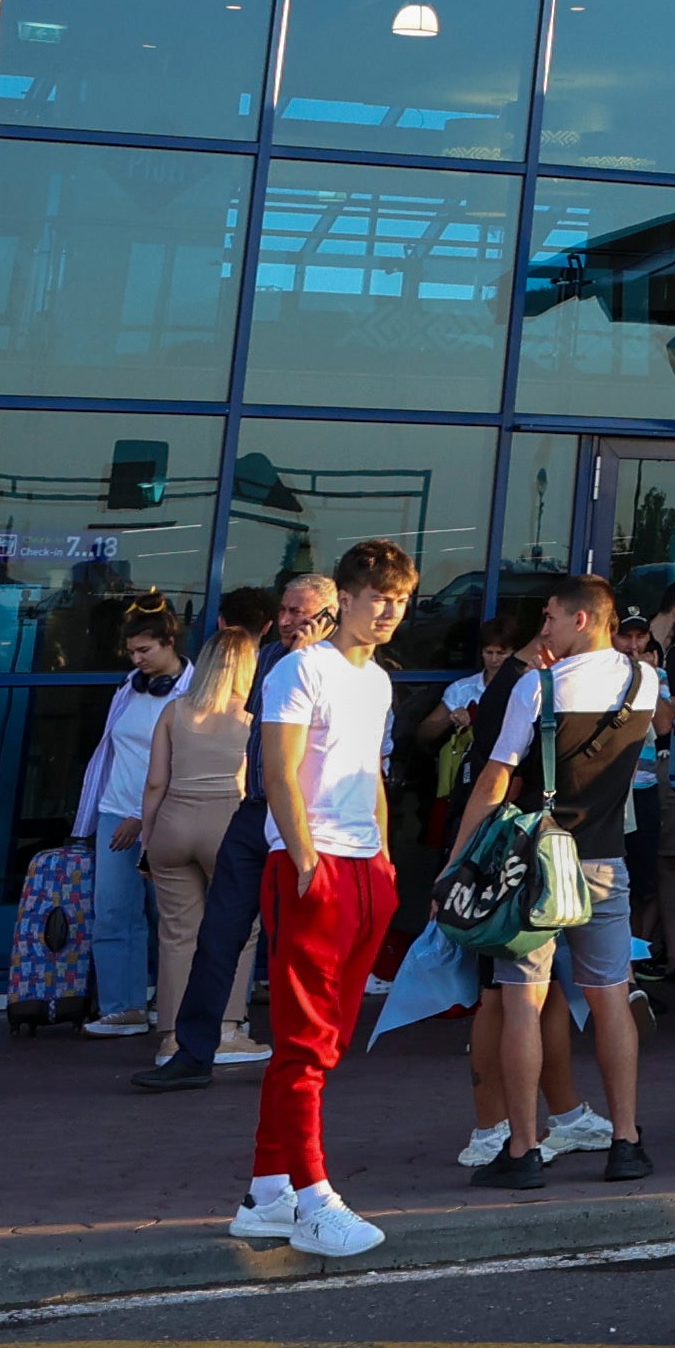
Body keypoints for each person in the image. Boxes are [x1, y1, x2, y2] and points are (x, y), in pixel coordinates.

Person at [228, 538, 414, 1261]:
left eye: (400, 598)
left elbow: (369, 770)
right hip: (313, 863)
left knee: (324, 1039)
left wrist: (387, 861)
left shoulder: (377, 681)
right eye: (377, 598)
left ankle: (266, 1190)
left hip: (364, 864)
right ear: (346, 596)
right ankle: (312, 1194)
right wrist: (304, 854)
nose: (390, 610)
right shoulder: (301, 668)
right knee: (306, 1038)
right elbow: (276, 770)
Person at [448, 575, 661, 1186]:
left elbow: (495, 779)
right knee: (611, 997)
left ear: (582, 620)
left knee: (524, 1000)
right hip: (604, 859)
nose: (542, 629)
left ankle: (523, 1149)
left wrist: (459, 859)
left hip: (538, 864)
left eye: (550, 617)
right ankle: (626, 1140)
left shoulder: (537, 686)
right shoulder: (643, 680)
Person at [134, 598, 280, 1090]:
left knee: (177, 933)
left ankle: (172, 1037)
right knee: (238, 930)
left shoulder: (176, 710)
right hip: (229, 821)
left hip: (174, 819)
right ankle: (227, 1029)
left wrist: (148, 836)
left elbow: (155, 781)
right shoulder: (253, 717)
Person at [81, 604, 180, 1041]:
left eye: (145, 650)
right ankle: (123, 1007)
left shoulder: (189, 693)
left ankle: (174, 1003)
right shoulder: (131, 687)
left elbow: (184, 762)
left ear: (169, 643)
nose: (136, 659)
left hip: (165, 814)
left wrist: (142, 818)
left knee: (171, 916)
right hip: (115, 809)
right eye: (131, 651)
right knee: (114, 911)